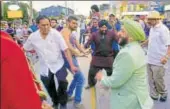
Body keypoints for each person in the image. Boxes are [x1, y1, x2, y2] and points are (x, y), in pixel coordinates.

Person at [95, 19, 153, 109]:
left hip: (129, 103)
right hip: (138, 99)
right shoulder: (136, 48)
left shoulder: (127, 54)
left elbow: (116, 81)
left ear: (131, 37)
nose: (118, 33)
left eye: (122, 31)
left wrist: (102, 78)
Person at [23, 15, 78, 109]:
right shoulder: (33, 37)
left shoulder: (56, 34)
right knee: (49, 86)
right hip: (45, 67)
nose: (46, 27)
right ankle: (55, 101)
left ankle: (63, 104)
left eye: (48, 25)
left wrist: (72, 65)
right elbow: (25, 49)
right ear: (37, 25)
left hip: (58, 64)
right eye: (43, 25)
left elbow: (65, 50)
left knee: (62, 83)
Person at [1, 31, 52, 109]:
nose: (45, 27)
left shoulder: (6, 42)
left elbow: (22, 79)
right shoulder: (7, 42)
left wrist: (39, 99)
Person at [61, 16, 89, 108]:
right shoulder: (65, 31)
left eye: (76, 23)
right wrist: (77, 53)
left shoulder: (72, 32)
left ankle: (69, 94)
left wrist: (84, 51)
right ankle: (77, 102)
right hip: (67, 58)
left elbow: (77, 44)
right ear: (68, 22)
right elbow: (67, 45)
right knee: (81, 79)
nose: (75, 25)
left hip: (72, 58)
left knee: (77, 78)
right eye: (73, 23)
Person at [85, 20, 118, 89]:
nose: (104, 29)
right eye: (102, 27)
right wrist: (87, 45)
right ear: (99, 27)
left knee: (111, 73)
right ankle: (91, 84)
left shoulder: (112, 33)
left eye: (105, 27)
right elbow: (89, 41)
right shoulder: (94, 34)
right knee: (91, 72)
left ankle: (110, 84)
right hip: (97, 57)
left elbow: (119, 40)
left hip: (108, 58)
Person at [145, 11, 170, 102]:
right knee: (150, 79)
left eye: (150, 20)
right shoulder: (152, 28)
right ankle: (154, 95)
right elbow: (150, 39)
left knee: (158, 79)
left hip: (159, 61)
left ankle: (163, 93)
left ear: (156, 19)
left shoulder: (163, 30)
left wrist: (166, 57)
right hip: (149, 59)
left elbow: (169, 44)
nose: (148, 22)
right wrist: (142, 44)